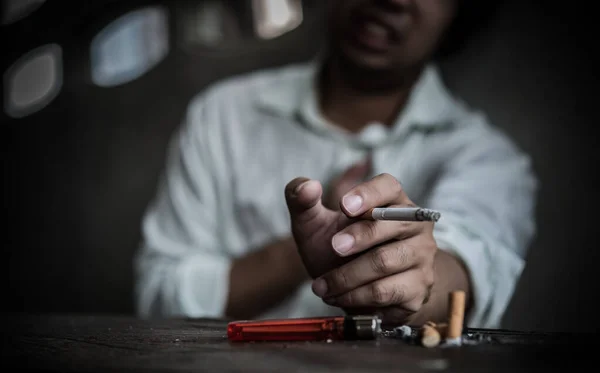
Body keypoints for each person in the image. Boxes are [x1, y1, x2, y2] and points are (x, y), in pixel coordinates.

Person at [134, 0, 537, 329]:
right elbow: (157, 299)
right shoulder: (223, 114)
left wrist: (416, 286)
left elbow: (469, 272)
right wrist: (302, 251)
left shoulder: (488, 158)